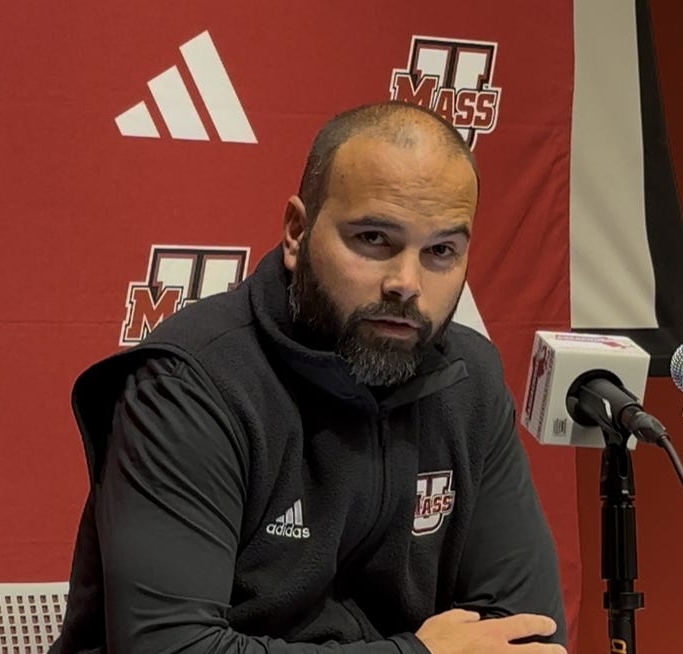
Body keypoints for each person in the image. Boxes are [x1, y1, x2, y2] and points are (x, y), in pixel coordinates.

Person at [50, 101, 568, 654]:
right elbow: (171, 648)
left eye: (441, 251)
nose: (406, 282)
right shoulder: (190, 385)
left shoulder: (468, 381)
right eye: (373, 239)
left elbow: (530, 633)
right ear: (297, 232)